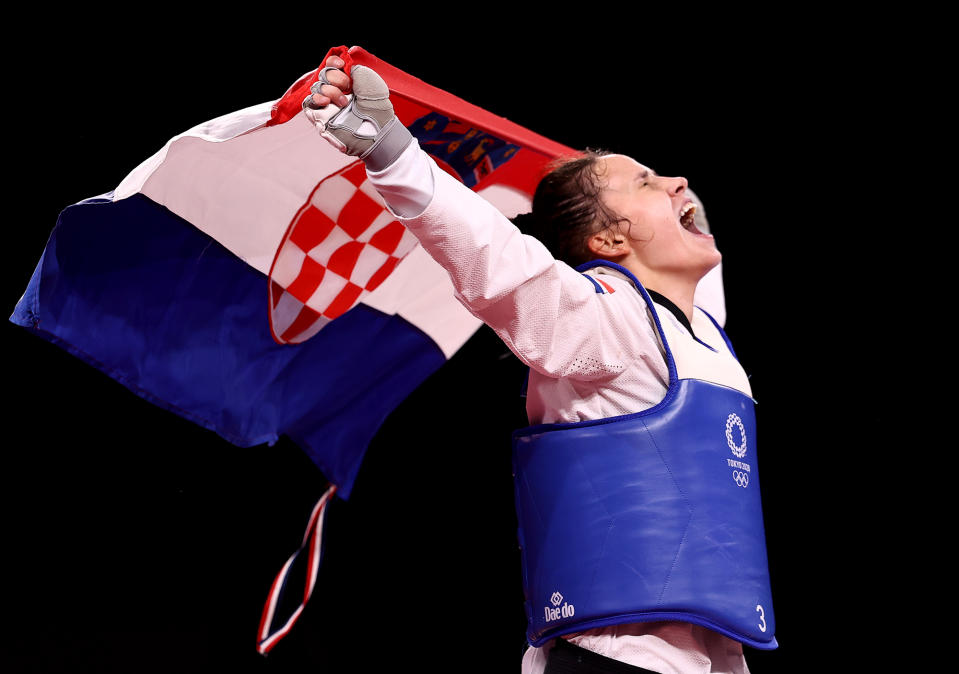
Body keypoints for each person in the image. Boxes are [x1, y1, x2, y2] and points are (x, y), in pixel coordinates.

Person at [302, 56, 776, 674]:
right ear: (607, 242)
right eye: (646, 182)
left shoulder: (703, 340)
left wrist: (681, 219)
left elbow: (695, 310)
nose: (677, 181)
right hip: (614, 662)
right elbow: (497, 258)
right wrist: (393, 152)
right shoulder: (605, 319)